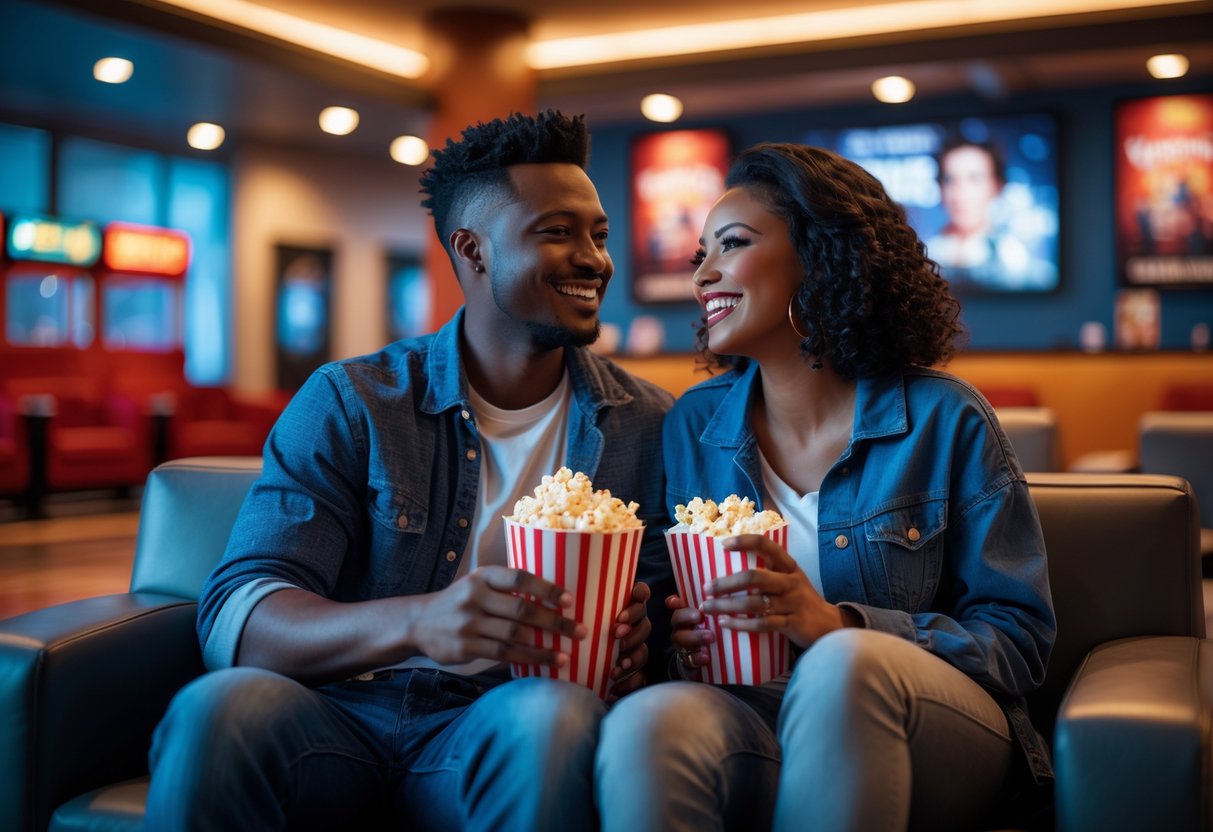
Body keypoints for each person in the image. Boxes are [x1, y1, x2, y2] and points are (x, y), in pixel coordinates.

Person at [146, 110, 674, 830]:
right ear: (472, 250)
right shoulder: (354, 399)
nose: (594, 258)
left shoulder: (648, 424)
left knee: (549, 716)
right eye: (557, 232)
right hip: (337, 717)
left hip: (500, 720)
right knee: (219, 706)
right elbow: (241, 619)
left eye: (599, 234)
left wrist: (641, 646)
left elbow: (663, 629)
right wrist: (422, 622)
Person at [596, 143, 1056, 831]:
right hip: (755, 710)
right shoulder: (692, 424)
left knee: (844, 663)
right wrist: (678, 638)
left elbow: (1017, 642)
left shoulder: (942, 417)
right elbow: (668, 617)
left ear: (818, 252)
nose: (703, 275)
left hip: (940, 728)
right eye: (700, 255)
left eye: (733, 244)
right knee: (648, 720)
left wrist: (836, 624)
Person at [926, 138, 1049, 291]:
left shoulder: (1011, 257)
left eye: (974, 179)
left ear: (996, 186)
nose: (960, 193)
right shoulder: (928, 253)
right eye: (949, 180)